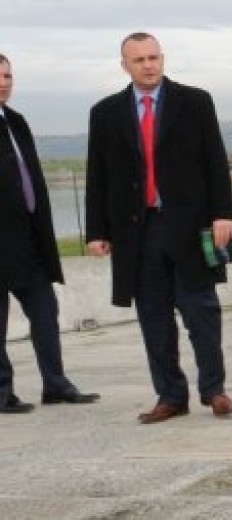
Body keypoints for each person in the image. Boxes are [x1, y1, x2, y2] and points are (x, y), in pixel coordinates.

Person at [85, 32, 232, 423]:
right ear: (125, 65)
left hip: (189, 227)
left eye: (154, 57)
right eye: (139, 60)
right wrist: (97, 231)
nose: (148, 65)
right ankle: (170, 395)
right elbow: (97, 176)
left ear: (163, 58)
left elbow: (215, 161)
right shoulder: (105, 113)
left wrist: (224, 214)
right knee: (153, 317)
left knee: (201, 310)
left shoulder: (195, 102)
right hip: (138, 231)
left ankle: (214, 390)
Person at [0, 54, 100, 414]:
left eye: (9, 75)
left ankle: (55, 384)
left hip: (28, 240)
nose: (5, 82)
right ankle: (2, 392)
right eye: (0, 77)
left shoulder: (16, 121)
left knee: (45, 309)